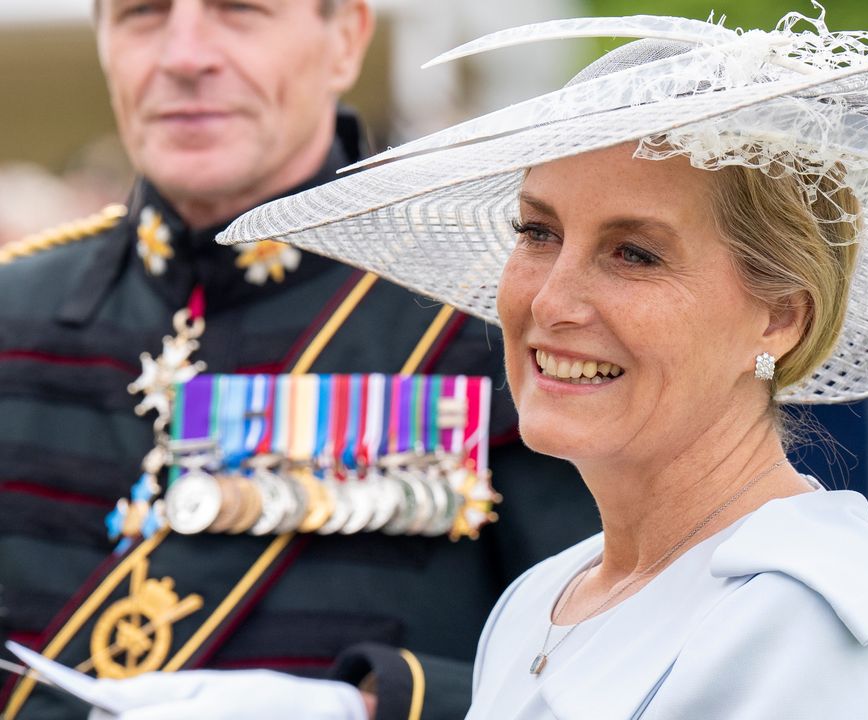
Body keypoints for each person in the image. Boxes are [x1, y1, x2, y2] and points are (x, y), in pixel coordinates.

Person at [137, 9, 868, 718]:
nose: (553, 298)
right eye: (538, 232)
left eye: (633, 253)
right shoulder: (546, 597)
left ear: (776, 317)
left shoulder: (801, 623)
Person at [0, 1, 596, 719]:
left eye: (240, 10)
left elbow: (612, 666)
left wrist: (376, 707)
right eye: (143, 13)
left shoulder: (491, 321)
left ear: (345, 38)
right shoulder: (13, 314)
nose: (184, 55)